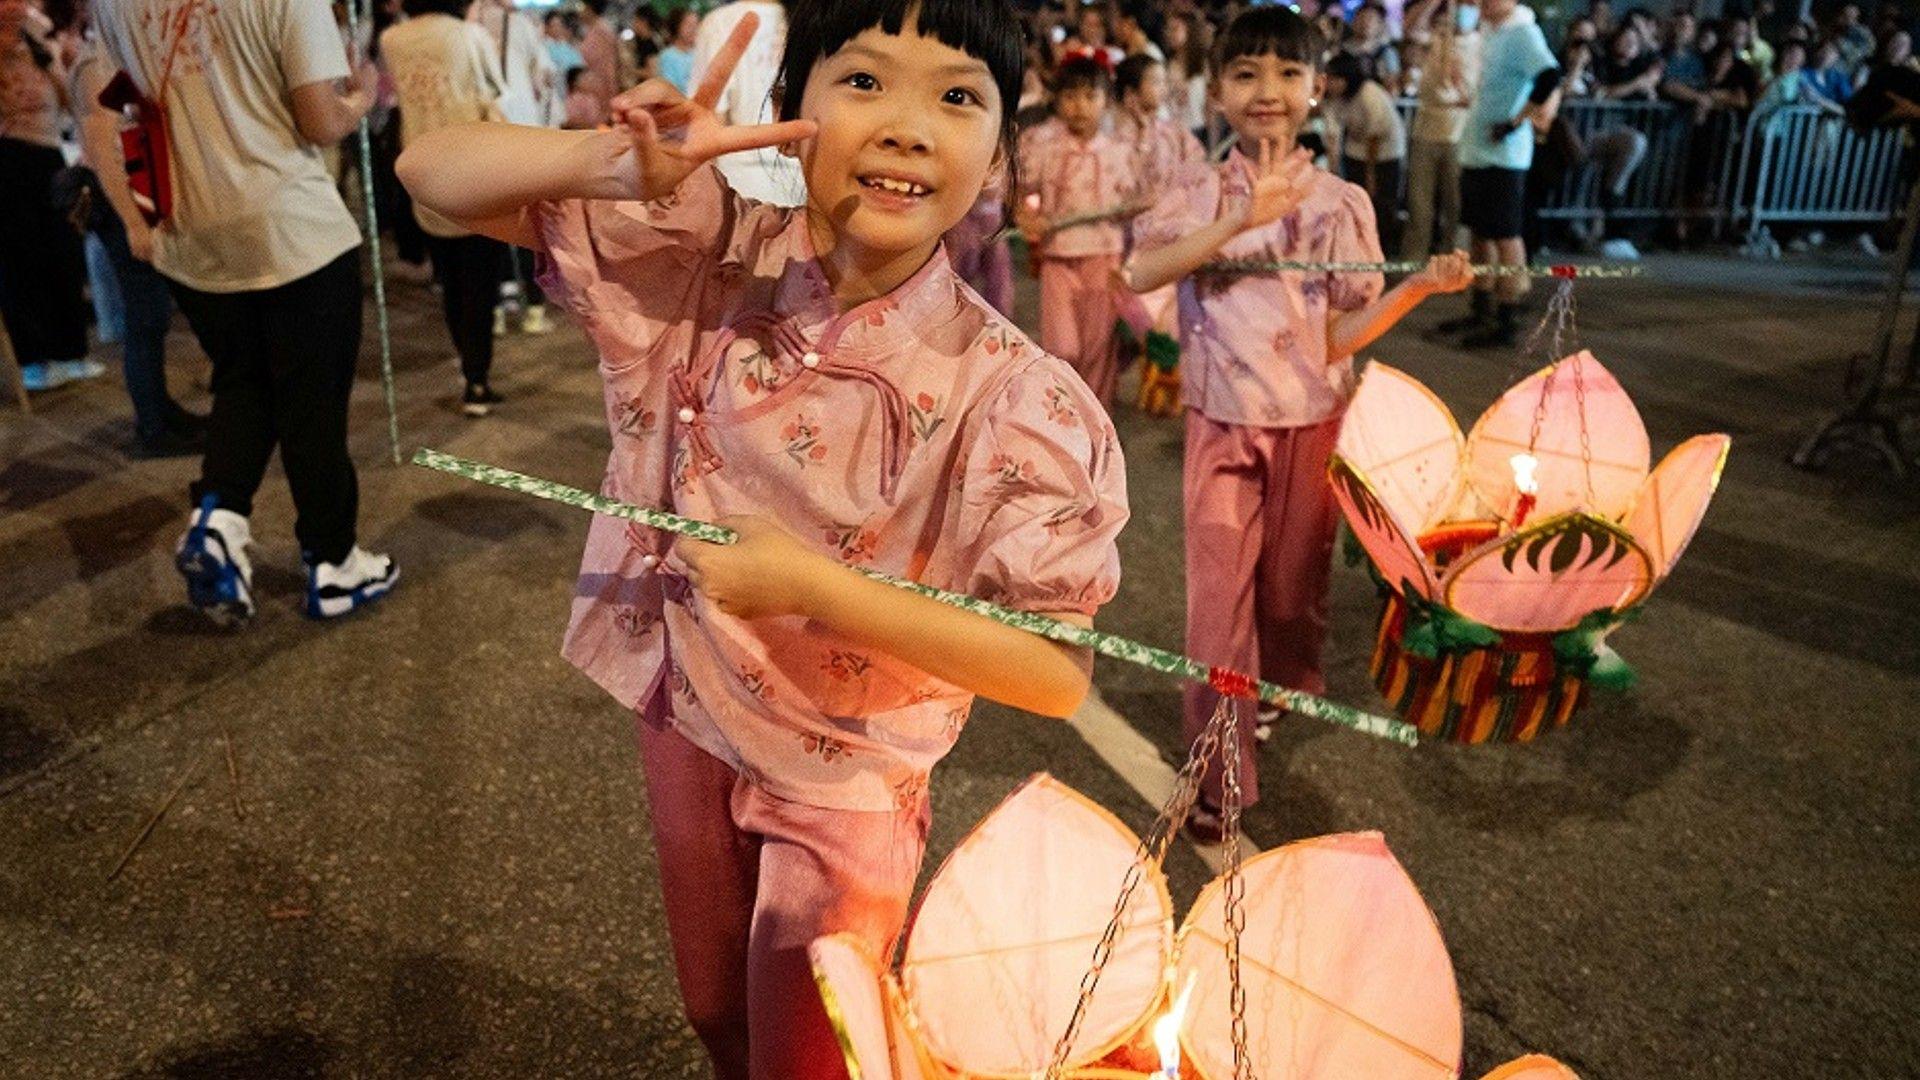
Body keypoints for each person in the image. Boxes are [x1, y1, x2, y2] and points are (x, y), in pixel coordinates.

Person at [398, 2, 1126, 1075]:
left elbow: (1057, 673)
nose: (906, 126)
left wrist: (818, 590)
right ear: (790, 119)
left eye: (957, 96)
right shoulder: (713, 251)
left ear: (1002, 159)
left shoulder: (1017, 395)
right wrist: (609, 165)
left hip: (845, 791)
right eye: (865, 82)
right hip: (687, 711)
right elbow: (431, 173)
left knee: (809, 1051)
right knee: (716, 1015)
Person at [1125, 6, 1470, 841]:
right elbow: (1140, 269)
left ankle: (1282, 682)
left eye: (1286, 74)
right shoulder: (1196, 189)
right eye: (1245, 74)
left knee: (1289, 596)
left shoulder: (1342, 203)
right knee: (1217, 613)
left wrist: (1416, 289)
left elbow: (1337, 335)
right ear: (1218, 91)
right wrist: (1235, 222)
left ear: (1317, 88)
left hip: (1312, 423)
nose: (1266, 92)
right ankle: (1218, 773)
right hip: (1220, 427)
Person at [96, 0, 398, 623]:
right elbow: (319, 120)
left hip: (191, 234)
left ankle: (220, 520)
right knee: (312, 403)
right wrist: (362, 97)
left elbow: (115, 102)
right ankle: (335, 564)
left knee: (244, 380)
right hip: (290, 228)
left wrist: (133, 215)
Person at [57, 0, 206, 455]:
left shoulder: (113, 53)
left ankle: (160, 411)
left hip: (134, 197)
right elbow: (103, 151)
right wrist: (133, 225)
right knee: (145, 316)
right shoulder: (94, 62)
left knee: (152, 315)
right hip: (118, 201)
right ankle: (153, 427)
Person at [383, 0, 510, 416]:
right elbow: (494, 90)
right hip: (473, 167)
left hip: (422, 166)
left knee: (451, 279)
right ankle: (477, 377)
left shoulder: (392, 39)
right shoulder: (468, 36)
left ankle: (468, 365)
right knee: (480, 281)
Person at [1016, 55, 1143, 406]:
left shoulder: (1120, 149)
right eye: (1070, 97)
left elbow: (1140, 199)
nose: (1080, 107)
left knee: (1098, 347)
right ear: (1056, 100)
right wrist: (1027, 217)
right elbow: (1020, 190)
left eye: (1090, 97)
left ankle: (1096, 422)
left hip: (1105, 254)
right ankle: (1063, 414)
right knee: (1062, 346)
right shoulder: (1042, 143)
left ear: (1106, 101)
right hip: (1059, 255)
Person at [1440, 0, 1559, 348]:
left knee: (1506, 236)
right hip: (1477, 150)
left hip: (1503, 157)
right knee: (1479, 232)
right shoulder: (1494, 32)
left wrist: (1515, 122)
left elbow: (1550, 75)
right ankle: (1482, 307)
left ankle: (1507, 318)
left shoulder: (1523, 32)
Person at [0, 0, 102, 394]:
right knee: (20, 259)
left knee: (62, 251)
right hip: (9, 154)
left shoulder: (37, 31)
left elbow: (65, 92)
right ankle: (33, 360)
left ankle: (71, 351)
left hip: (47, 150)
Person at [689, 0, 796, 204]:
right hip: (803, 180)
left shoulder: (720, 22)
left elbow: (709, 119)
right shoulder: (811, 18)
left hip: (741, 182)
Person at [1404, 0, 1481, 259]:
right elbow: (1411, 28)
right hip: (1425, 130)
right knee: (1419, 206)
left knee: (1456, 208)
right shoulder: (1437, 38)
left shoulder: (1483, 44)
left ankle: (1454, 265)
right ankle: (1412, 264)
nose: (1464, 10)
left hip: (1461, 134)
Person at [1323, 50, 1407, 253]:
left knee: (1380, 203)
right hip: (1355, 152)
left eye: (1334, 78)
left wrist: (1371, 175)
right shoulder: (1337, 98)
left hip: (1383, 156)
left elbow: (1374, 136)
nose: (1330, 83)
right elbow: (1333, 131)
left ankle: (1381, 248)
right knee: (1356, 202)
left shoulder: (1369, 94)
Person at [657, 6, 698, 93]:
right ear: (677, 27)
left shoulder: (699, 52)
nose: (694, 29)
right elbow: (670, 90)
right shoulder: (668, 56)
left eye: (696, 24)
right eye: (689, 25)